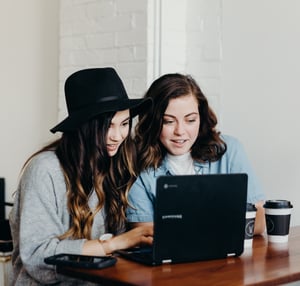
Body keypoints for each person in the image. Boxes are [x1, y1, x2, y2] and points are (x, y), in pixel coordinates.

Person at [9, 67, 153, 285]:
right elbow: (37, 256)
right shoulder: (45, 169)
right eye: (107, 126)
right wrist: (114, 244)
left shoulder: (116, 164)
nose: (117, 136)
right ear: (84, 126)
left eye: (124, 124)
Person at [126, 72, 266, 235]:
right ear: (153, 122)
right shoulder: (138, 165)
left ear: (201, 117)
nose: (180, 131)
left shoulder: (229, 150)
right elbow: (143, 234)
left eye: (190, 120)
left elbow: (258, 222)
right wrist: (221, 222)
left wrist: (184, 228)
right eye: (169, 121)